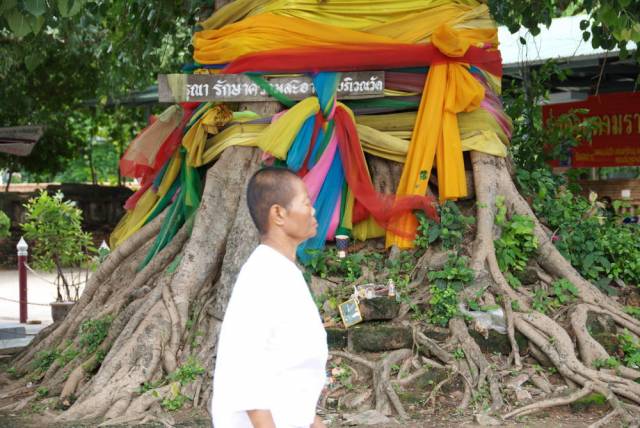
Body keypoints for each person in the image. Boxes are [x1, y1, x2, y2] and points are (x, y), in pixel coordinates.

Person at [211, 167, 328, 428]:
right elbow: (246, 369)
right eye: (306, 202)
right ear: (278, 214)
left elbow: (288, 366)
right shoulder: (262, 275)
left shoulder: (281, 270)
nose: (313, 210)